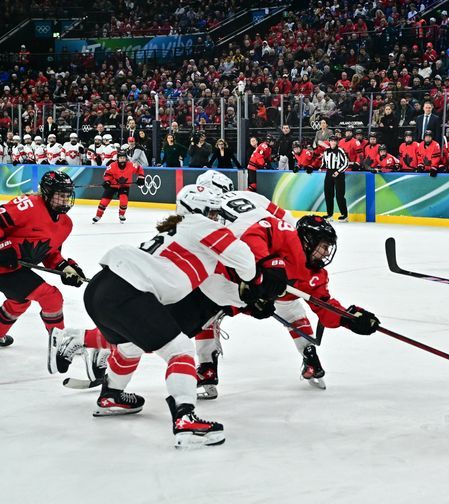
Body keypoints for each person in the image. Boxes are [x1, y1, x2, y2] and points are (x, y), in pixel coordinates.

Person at [80, 184, 263, 447]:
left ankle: (111, 396)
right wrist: (252, 284)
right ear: (198, 209)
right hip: (127, 291)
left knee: (132, 345)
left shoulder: (175, 230)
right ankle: (185, 420)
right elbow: (245, 260)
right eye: (212, 211)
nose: (216, 217)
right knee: (180, 350)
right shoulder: (200, 224)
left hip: (102, 288)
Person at [240, 214, 380, 389]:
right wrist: (266, 262)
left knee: (294, 312)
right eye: (324, 246)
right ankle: (208, 365)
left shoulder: (316, 275)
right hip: (246, 286)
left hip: (276, 297)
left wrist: (350, 319)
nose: (327, 252)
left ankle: (310, 356)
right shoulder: (287, 238)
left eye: (328, 247)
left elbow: (324, 307)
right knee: (216, 305)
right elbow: (254, 234)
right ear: (308, 241)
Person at [0, 171, 85, 348]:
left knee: (18, 303)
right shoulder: (29, 205)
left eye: (67, 195)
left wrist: (65, 267)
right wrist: (2, 247)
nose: (65, 200)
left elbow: (50, 253)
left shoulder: (65, 224)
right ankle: (60, 346)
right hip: (3, 267)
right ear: (47, 193)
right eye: (60, 196)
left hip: (15, 269)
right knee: (51, 297)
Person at [93, 150, 145, 224]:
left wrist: (141, 178)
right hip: (113, 185)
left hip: (124, 186)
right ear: (118, 159)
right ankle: (98, 216)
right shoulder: (112, 165)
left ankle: (121, 215)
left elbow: (140, 169)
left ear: (126, 158)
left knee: (124, 200)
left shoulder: (131, 165)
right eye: (121, 158)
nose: (122, 160)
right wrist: (107, 181)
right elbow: (107, 174)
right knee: (104, 201)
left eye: (124, 158)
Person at [320, 137, 350, 221]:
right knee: (328, 194)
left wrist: (338, 171)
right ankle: (330, 214)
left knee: (339, 195)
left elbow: (346, 163)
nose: (333, 142)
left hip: (338, 174)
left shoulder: (340, 150)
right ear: (329, 142)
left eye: (334, 141)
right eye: (331, 141)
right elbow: (324, 162)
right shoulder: (326, 151)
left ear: (337, 142)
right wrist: (320, 167)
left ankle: (344, 215)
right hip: (329, 173)